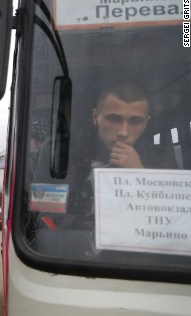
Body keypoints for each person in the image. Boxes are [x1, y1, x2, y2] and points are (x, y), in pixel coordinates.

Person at [34, 82, 178, 216]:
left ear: (146, 123)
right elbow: (42, 214)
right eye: (114, 119)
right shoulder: (59, 152)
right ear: (96, 117)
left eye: (135, 121)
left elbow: (172, 219)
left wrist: (140, 176)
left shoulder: (162, 161)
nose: (124, 132)